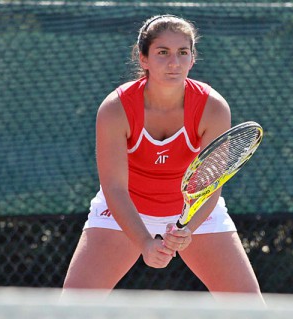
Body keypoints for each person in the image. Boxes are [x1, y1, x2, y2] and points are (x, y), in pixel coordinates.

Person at [63, 15, 263, 301]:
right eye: (162, 52)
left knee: (250, 308)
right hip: (125, 210)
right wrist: (145, 241)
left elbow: (212, 186)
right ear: (143, 58)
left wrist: (187, 230)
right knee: (72, 307)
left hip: (196, 214)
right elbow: (114, 188)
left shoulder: (213, 108)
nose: (174, 63)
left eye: (183, 52)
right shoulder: (115, 109)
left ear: (193, 59)